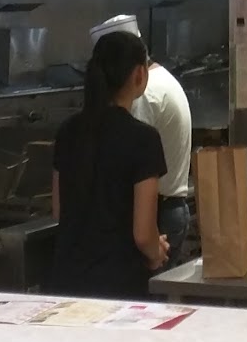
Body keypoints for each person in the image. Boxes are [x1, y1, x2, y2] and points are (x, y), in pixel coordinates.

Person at [49, 30, 167, 299]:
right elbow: (143, 234)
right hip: (118, 285)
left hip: (66, 280)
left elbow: (59, 211)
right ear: (139, 74)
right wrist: (156, 251)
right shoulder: (144, 139)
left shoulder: (68, 131)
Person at [91, 13, 194, 265]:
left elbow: (128, 160)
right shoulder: (161, 78)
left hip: (155, 214)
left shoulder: (144, 94)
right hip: (166, 208)